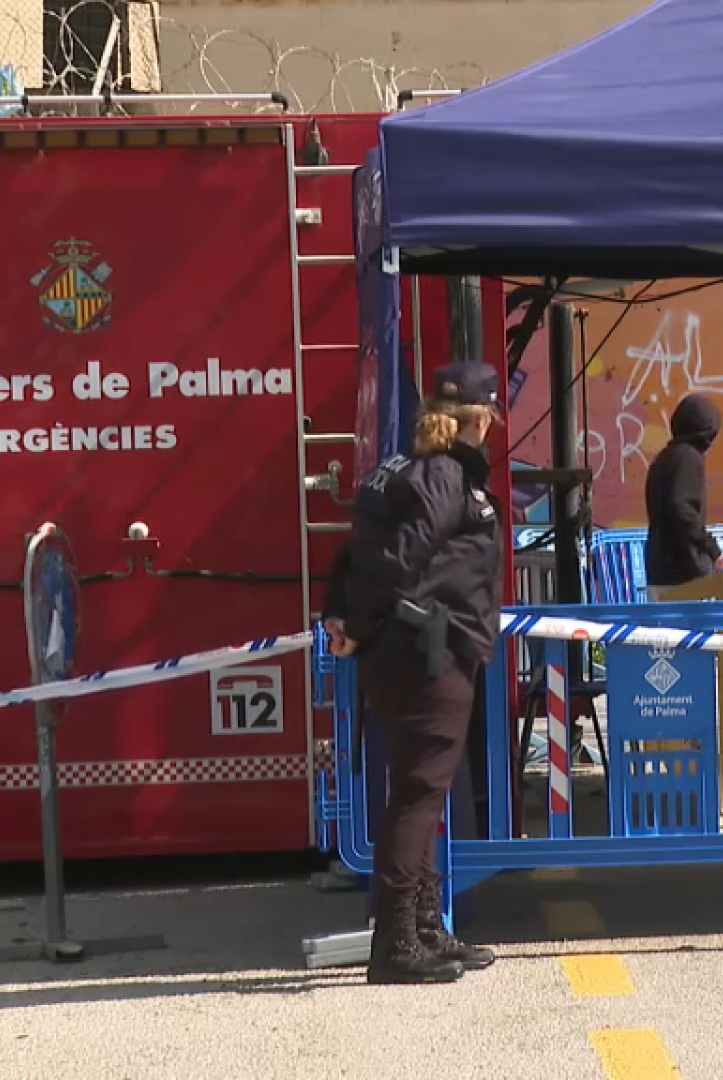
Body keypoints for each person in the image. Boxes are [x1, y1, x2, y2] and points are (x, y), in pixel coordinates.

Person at [322, 361, 505, 984]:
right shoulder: (444, 476)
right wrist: (365, 624)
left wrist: (347, 620)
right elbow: (398, 564)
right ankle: (398, 940)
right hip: (429, 651)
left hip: (409, 652)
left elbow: (354, 556)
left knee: (420, 791)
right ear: (481, 420)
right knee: (418, 797)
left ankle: (425, 927)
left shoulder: (401, 470)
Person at [645, 393, 723, 590]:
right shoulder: (689, 460)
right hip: (686, 571)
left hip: (659, 569)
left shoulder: (663, 458)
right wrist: (713, 550)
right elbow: (683, 510)